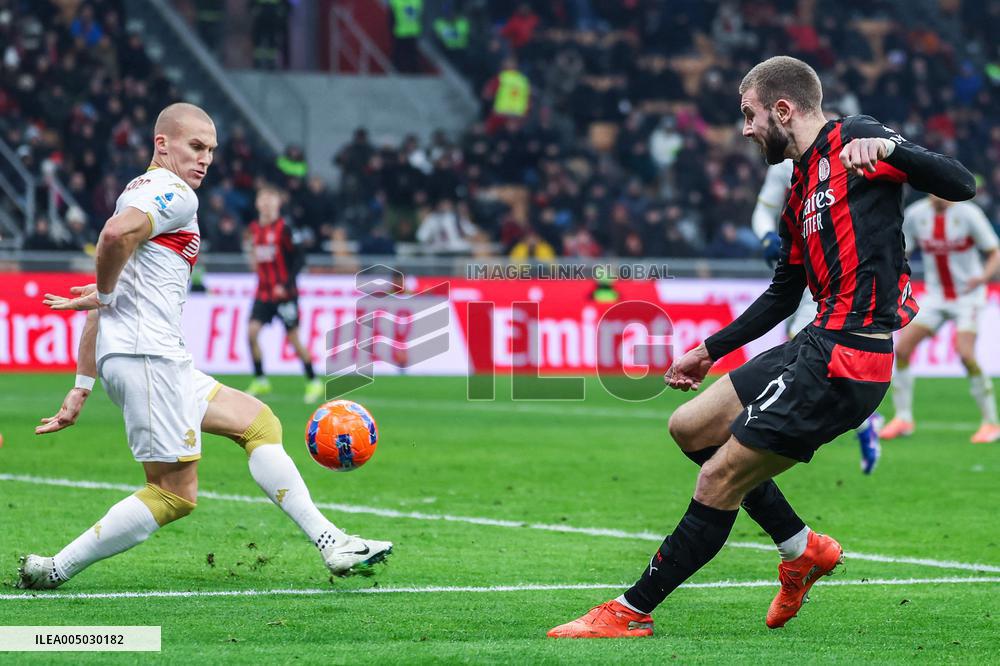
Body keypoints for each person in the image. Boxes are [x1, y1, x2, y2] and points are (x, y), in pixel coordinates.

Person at [548, 56, 975, 639]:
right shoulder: (800, 188)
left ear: (782, 109)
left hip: (850, 359)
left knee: (718, 480)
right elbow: (783, 293)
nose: (745, 130)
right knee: (691, 428)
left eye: (749, 116)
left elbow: (961, 183)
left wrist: (891, 150)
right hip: (815, 343)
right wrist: (709, 348)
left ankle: (630, 610)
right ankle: (802, 551)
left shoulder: (858, 138)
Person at [18, 103, 392, 590]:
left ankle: (331, 542)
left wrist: (82, 383)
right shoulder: (174, 193)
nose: (205, 160)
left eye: (211, 151)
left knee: (258, 422)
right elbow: (111, 246)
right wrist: (105, 298)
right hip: (148, 356)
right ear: (162, 145)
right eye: (196, 147)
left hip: (152, 357)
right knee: (173, 494)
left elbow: (104, 286)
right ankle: (54, 569)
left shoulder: (136, 192)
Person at [753, 158, 884, 473]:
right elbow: (762, 211)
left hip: (834, 272)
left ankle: (773, 431)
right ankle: (864, 421)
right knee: (803, 353)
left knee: (800, 348)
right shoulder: (784, 166)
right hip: (796, 272)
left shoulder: (842, 157)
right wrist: (768, 237)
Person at [880, 195, 1000, 443]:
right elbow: (903, 251)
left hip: (968, 296)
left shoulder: (969, 214)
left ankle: (991, 423)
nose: (938, 193)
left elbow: (994, 252)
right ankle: (903, 418)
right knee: (902, 350)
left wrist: (984, 278)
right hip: (935, 296)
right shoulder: (916, 214)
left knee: (966, 354)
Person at [245, 184, 324, 403]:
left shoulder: (285, 229)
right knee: (251, 333)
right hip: (263, 294)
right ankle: (261, 379)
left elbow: (300, 259)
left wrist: (286, 284)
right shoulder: (254, 229)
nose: (267, 203)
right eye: (263, 198)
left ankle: (313, 381)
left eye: (272, 198)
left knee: (293, 339)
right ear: (257, 203)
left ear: (278, 203)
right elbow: (256, 257)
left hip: (285, 295)